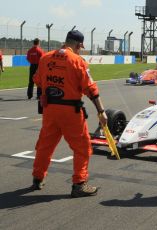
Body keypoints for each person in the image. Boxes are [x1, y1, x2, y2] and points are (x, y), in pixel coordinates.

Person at [31, 30, 108, 198]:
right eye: (81, 47)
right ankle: (79, 184)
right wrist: (101, 111)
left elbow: (36, 80)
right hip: (71, 112)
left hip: (50, 110)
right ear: (79, 45)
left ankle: (37, 178)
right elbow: (91, 89)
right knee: (82, 148)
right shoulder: (77, 61)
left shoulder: (45, 58)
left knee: (45, 145)